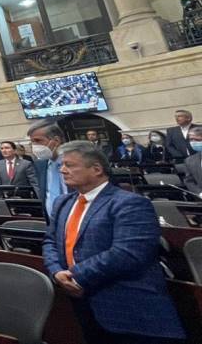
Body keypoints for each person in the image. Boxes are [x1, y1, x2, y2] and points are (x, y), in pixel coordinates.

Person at [43, 141, 186, 344]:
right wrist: (56, 272)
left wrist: (75, 276)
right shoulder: (63, 203)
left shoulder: (129, 203)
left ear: (97, 169)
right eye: (61, 166)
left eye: (69, 165)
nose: (63, 170)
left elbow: (128, 253)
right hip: (81, 305)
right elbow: (50, 241)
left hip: (127, 307)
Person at [30, 119, 67, 217]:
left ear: (56, 141)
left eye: (38, 140)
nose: (35, 146)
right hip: (52, 224)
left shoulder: (78, 163)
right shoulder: (40, 165)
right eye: (32, 142)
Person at [182, 126, 202, 196]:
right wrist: (199, 192)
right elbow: (189, 181)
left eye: (197, 140)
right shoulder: (189, 160)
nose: (193, 142)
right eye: (191, 140)